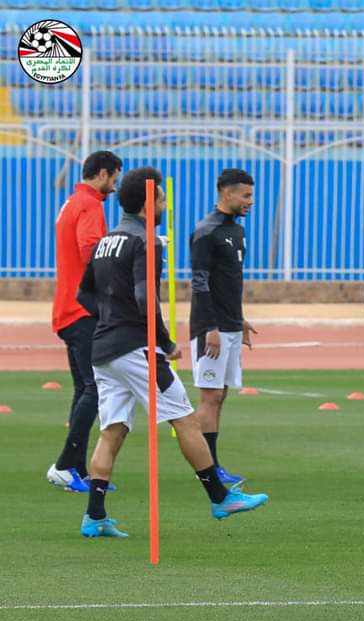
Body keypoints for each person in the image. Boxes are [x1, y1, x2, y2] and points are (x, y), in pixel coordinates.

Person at [75, 167, 268, 538]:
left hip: (103, 349)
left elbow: (84, 294)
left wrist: (111, 319)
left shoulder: (106, 241)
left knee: (113, 429)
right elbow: (145, 299)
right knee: (185, 419)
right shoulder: (146, 241)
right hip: (136, 348)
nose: (164, 206)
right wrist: (164, 343)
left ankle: (94, 516)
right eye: (162, 200)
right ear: (149, 204)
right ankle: (220, 497)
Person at [46, 151, 122, 493]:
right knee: (95, 387)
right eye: (115, 178)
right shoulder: (90, 205)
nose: (116, 186)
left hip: (67, 308)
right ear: (103, 173)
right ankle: (65, 465)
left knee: (84, 388)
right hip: (83, 310)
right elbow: (90, 250)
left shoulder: (72, 202)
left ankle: (76, 470)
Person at [189, 168, 257, 486]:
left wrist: (239, 318)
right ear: (226, 194)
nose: (250, 201)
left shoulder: (237, 231)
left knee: (221, 394)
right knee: (210, 395)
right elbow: (199, 282)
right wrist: (210, 327)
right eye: (246, 195)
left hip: (229, 325)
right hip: (211, 329)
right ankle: (207, 468)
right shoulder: (206, 231)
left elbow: (229, 281)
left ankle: (214, 464)